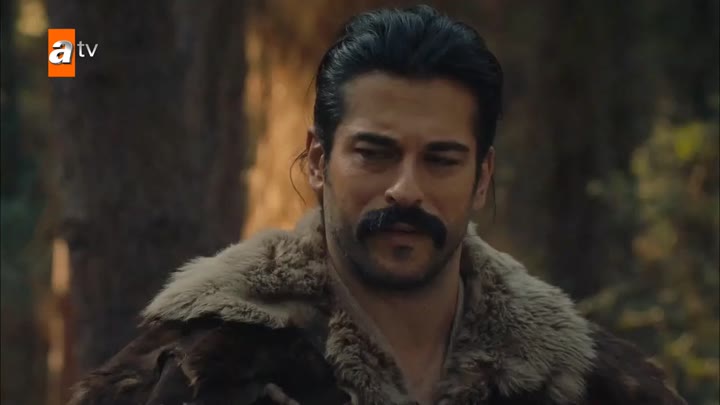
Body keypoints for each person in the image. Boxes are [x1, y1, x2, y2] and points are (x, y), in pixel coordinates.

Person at [68, 5, 687, 405]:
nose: (406, 190)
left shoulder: (586, 384)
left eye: (441, 159)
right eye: (375, 153)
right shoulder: (203, 370)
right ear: (318, 160)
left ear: (481, 178)